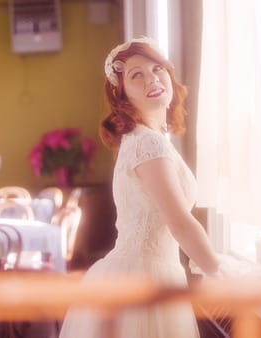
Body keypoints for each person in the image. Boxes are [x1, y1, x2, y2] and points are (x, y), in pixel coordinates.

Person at [59, 37, 221, 338]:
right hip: (143, 279)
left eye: (157, 69)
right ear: (122, 97)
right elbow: (180, 224)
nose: (152, 79)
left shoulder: (145, 139)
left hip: (148, 274)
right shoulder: (146, 142)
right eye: (137, 75)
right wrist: (221, 274)